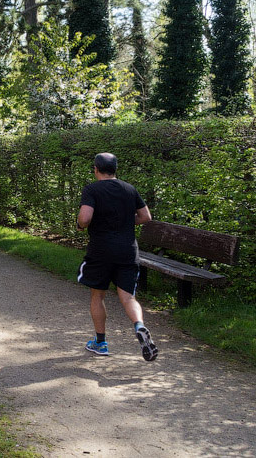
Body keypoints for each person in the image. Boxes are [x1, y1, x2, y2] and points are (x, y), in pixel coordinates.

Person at [76, 153, 158, 361]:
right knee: (128, 296)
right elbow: (146, 217)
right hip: (127, 250)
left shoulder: (92, 189)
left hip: (101, 250)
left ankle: (101, 343)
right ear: (115, 169)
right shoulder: (129, 189)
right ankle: (139, 325)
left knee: (98, 295)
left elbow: (85, 218)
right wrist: (124, 222)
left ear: (95, 169)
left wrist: (80, 225)